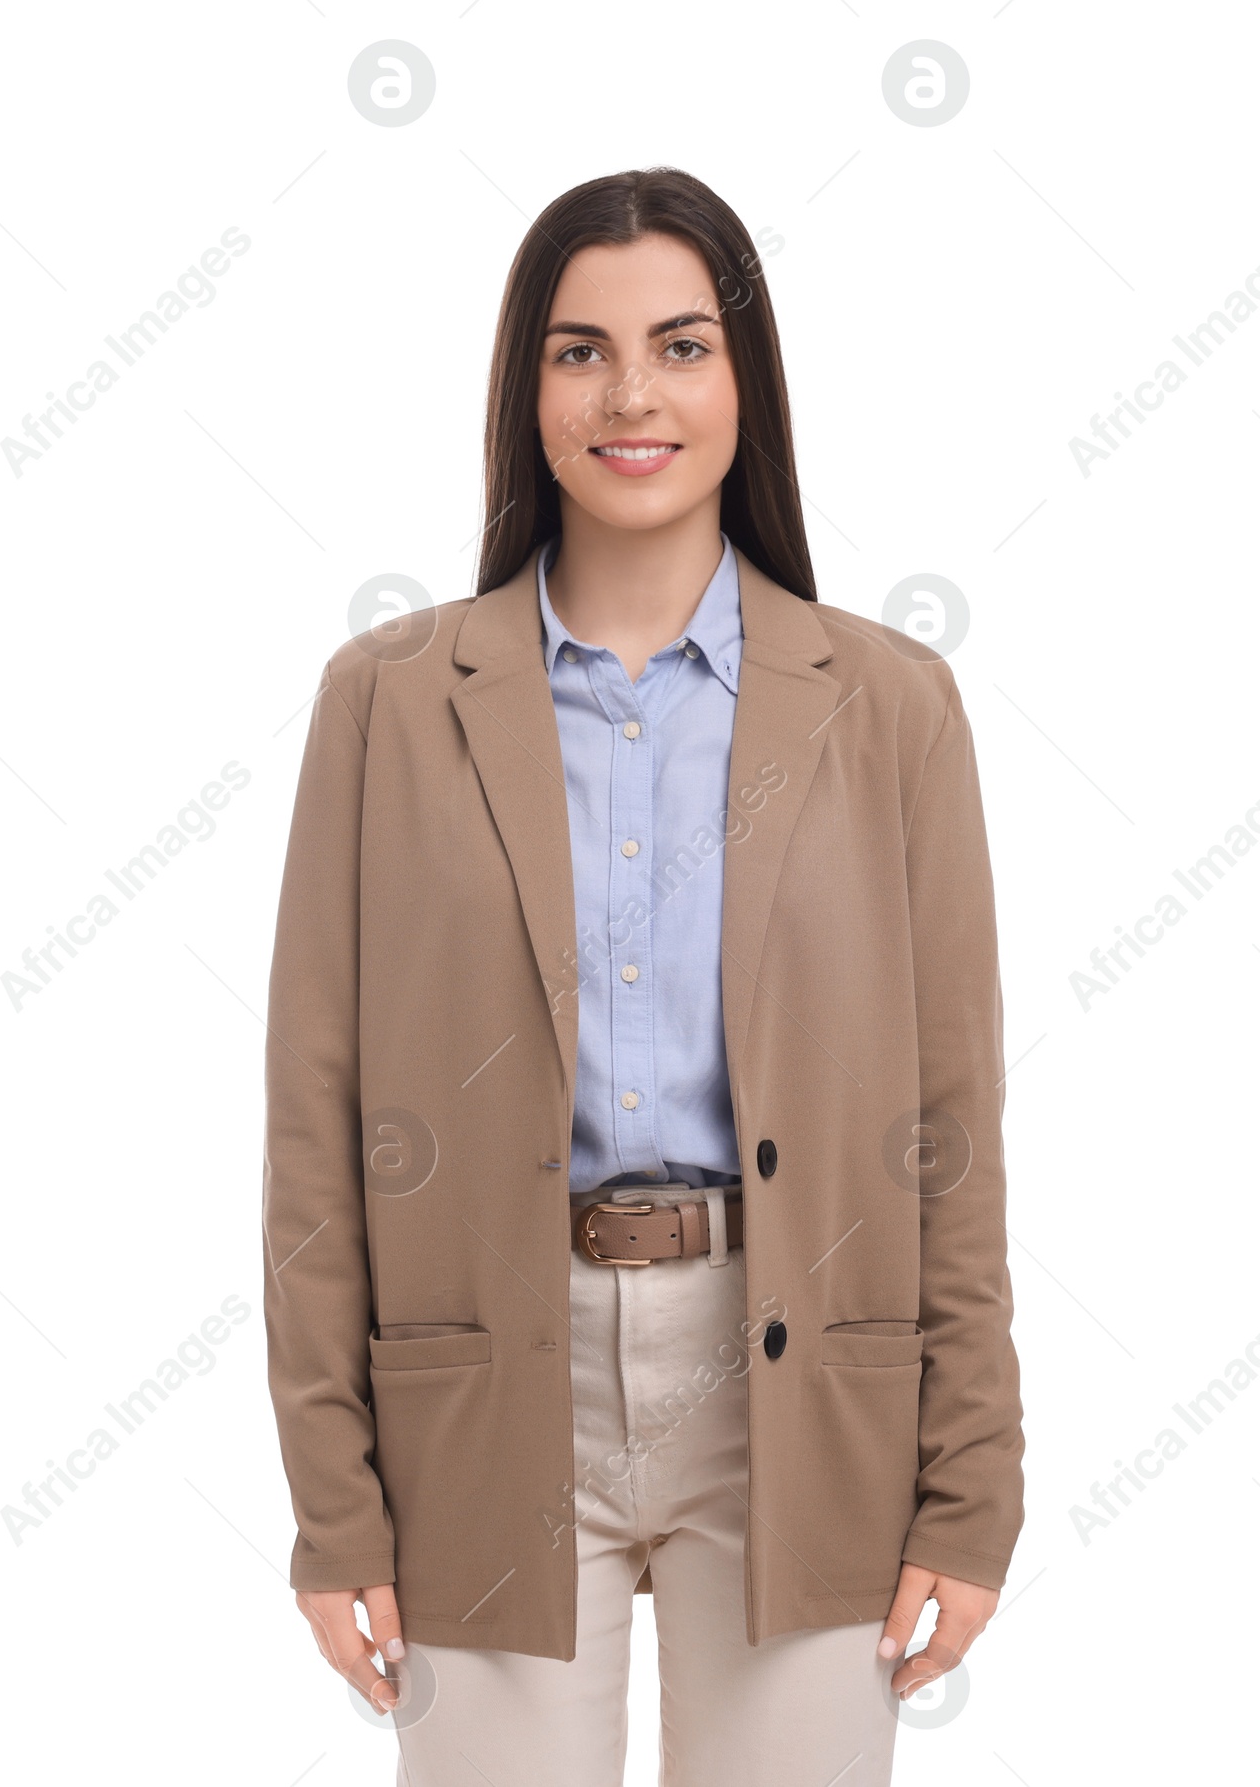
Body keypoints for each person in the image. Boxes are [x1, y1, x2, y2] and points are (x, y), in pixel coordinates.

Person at [261, 166, 1024, 1787]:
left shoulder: (892, 710)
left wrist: (974, 1486)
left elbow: (949, 1129)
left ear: (745, 384)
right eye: (578, 350)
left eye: (681, 345)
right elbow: (315, 1127)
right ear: (524, 389)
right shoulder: (389, 706)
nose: (630, 396)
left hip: (807, 1380)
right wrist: (334, 1503)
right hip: (485, 1383)